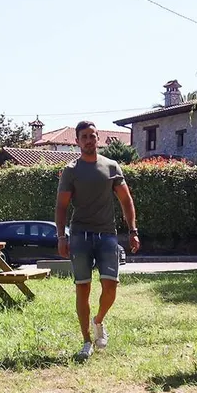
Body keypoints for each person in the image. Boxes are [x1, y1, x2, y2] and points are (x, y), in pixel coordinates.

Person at [56, 121, 140, 362]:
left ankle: (99, 320)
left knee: (111, 286)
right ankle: (85, 341)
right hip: (80, 235)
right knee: (83, 288)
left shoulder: (112, 167)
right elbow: (61, 207)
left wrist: (132, 230)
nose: (89, 140)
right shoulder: (71, 170)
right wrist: (62, 236)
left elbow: (126, 201)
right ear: (77, 141)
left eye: (93, 136)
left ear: (98, 139)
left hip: (108, 235)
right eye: (84, 137)